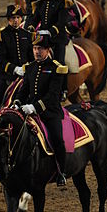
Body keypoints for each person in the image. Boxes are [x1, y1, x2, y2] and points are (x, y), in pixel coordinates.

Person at [13, 32, 68, 187]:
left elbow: (52, 96)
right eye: (35, 48)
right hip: (29, 110)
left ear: (48, 50)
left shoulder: (57, 68)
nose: (37, 51)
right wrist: (17, 103)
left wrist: (34, 107)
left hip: (50, 112)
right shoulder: (30, 68)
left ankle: (61, 172)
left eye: (41, 48)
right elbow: (23, 91)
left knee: (57, 138)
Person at [0, 5, 33, 129]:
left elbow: (31, 57)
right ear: (8, 19)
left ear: (21, 19)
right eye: (13, 18)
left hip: (25, 74)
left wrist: (28, 68)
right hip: (6, 74)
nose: (15, 20)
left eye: (18, 17)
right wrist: (15, 69)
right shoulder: (0, 35)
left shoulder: (27, 35)